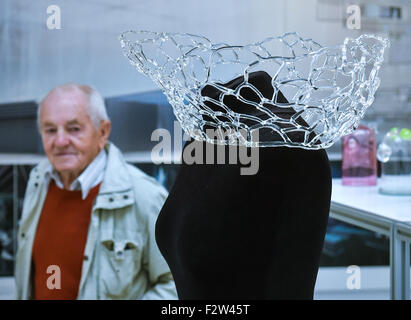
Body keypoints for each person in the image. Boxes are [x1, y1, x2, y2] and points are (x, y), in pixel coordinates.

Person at [14, 83, 177, 300]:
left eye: (74, 129)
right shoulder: (37, 183)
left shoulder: (144, 195)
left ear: (102, 132)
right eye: (50, 130)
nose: (60, 141)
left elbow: (175, 284)